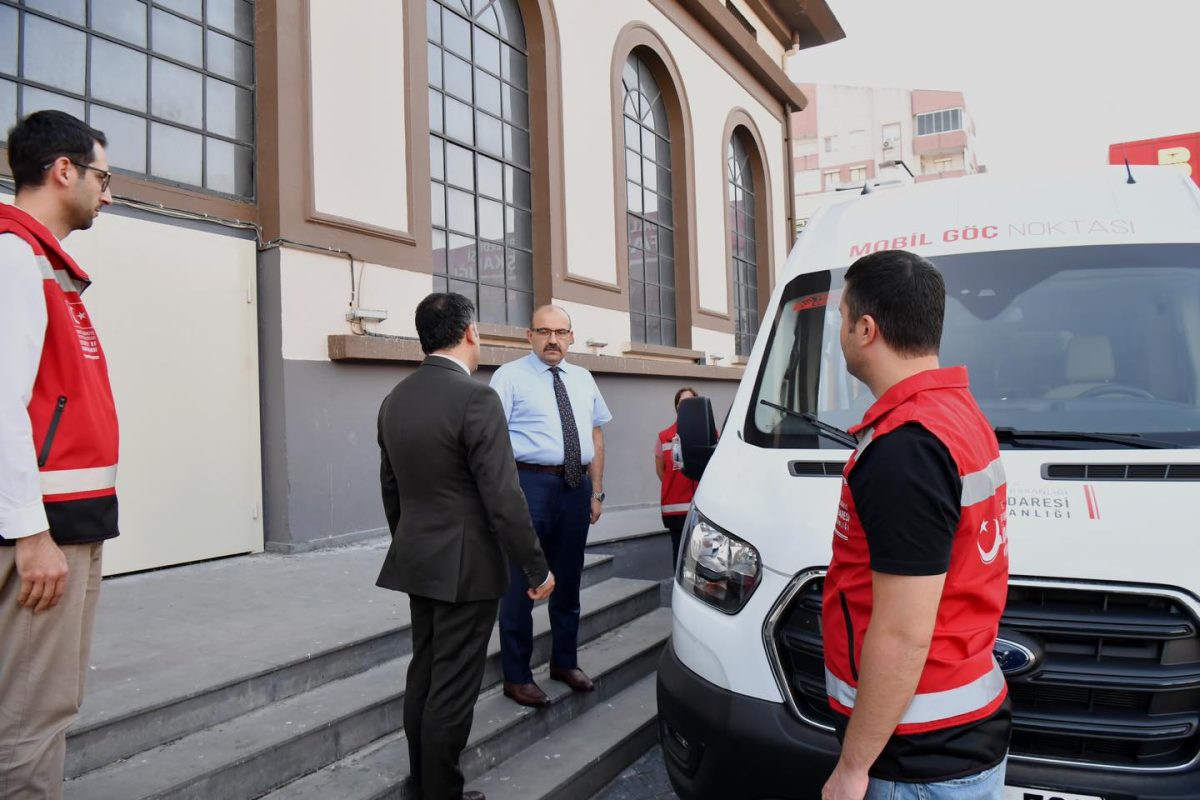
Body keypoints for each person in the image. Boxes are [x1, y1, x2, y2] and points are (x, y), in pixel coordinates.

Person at [820, 250, 1010, 800]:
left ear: (865, 328)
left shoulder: (907, 447)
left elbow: (903, 634)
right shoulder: (957, 414)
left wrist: (853, 769)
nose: (840, 333)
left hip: (917, 761)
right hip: (953, 736)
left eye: (841, 319)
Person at [376, 293, 555, 800]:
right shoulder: (476, 398)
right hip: (467, 567)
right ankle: (442, 794)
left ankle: (422, 784)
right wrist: (536, 570)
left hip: (418, 559)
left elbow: (391, 488)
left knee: (425, 674)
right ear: (471, 333)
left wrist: (410, 542)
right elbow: (503, 495)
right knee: (452, 690)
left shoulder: (395, 399)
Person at [0, 110, 117, 800]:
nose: (108, 193)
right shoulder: (15, 256)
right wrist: (32, 531)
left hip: (64, 521)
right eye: (102, 176)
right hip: (44, 532)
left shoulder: (41, 262)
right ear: (63, 170)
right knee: (31, 722)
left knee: (37, 715)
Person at [490, 305, 612, 707]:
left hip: (575, 487)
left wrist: (595, 492)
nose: (553, 339)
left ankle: (564, 661)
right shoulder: (508, 378)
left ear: (572, 337)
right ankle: (517, 675)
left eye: (561, 332)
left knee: (569, 580)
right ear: (529, 336)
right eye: (544, 331)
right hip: (529, 485)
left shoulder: (583, 378)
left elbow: (594, 436)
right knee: (521, 581)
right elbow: (491, 444)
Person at [655, 387, 699, 562]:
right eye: (682, 402)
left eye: (691, 401)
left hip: (703, 507)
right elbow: (661, 470)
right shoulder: (664, 436)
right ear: (676, 407)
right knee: (680, 557)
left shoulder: (711, 433)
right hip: (677, 509)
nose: (686, 406)